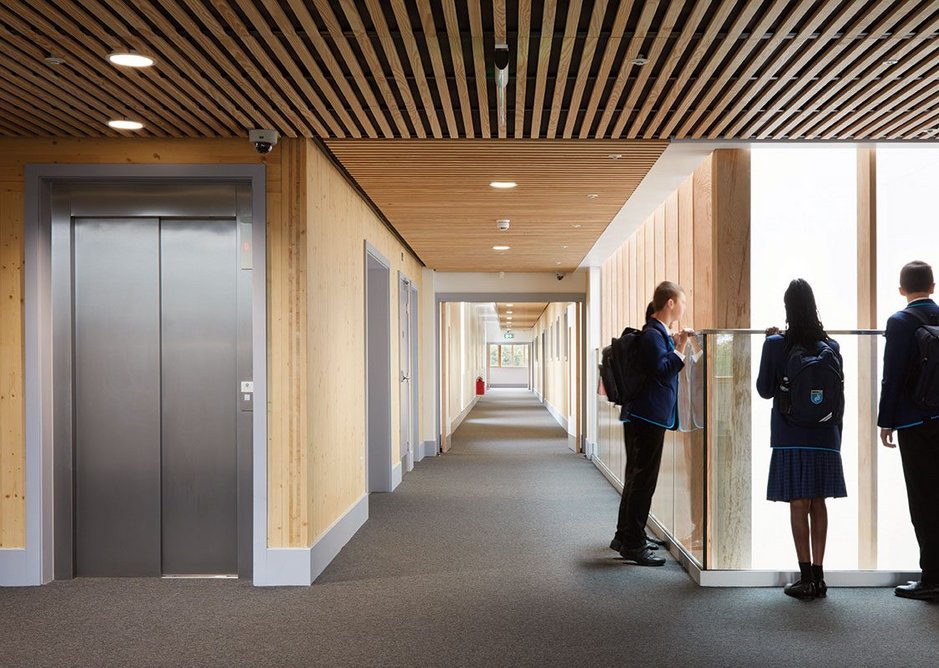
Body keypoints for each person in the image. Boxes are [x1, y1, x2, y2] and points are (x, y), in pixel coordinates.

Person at [756, 279, 846, 600]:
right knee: (818, 502)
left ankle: (805, 576)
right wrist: (835, 440)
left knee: (798, 503)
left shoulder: (776, 345)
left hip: (789, 435)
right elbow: (839, 400)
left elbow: (765, 390)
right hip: (825, 437)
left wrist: (770, 341)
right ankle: (820, 579)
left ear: (787, 308)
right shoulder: (831, 348)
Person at [610, 282, 700, 566]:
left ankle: (627, 535)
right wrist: (681, 349)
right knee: (643, 481)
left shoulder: (657, 334)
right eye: (682, 302)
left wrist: (672, 346)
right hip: (647, 417)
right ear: (670, 303)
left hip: (646, 415)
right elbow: (661, 372)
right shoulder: (652, 334)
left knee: (638, 478)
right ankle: (633, 543)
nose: (683, 308)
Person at [878, 260, 939, 601]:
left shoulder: (900, 322)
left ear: (902, 290)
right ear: (932, 286)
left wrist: (886, 421)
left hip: (915, 423)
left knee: (923, 499)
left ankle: (931, 577)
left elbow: (893, 375)